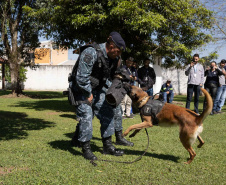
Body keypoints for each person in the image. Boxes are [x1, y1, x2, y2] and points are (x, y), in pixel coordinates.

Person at [70, 31, 133, 161]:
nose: (119, 55)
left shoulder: (112, 59)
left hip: (97, 90)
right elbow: (81, 78)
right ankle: (86, 148)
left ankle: (107, 146)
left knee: (108, 112)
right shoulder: (91, 52)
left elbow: (107, 77)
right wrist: (88, 94)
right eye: (117, 51)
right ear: (110, 47)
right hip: (81, 90)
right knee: (87, 115)